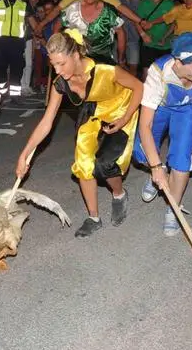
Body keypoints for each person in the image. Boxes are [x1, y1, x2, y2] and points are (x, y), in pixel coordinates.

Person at [15, 29, 143, 238]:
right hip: (92, 112)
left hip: (121, 109)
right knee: (83, 162)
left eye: (61, 64)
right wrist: (24, 155)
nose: (57, 70)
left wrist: (124, 119)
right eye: (53, 64)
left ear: (76, 55)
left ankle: (119, 195)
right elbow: (47, 122)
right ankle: (93, 217)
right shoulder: (61, 83)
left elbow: (138, 87)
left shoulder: (105, 69)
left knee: (105, 165)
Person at [133, 34, 192, 235]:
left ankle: (173, 210)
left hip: (188, 108)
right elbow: (145, 125)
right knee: (142, 151)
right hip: (161, 107)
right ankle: (157, 173)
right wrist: (156, 167)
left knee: (182, 161)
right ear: (178, 62)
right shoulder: (158, 72)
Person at [53, 0, 124, 65]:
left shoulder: (109, 11)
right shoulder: (72, 9)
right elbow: (57, 26)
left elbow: (121, 32)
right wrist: (59, 51)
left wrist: (121, 58)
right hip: (77, 64)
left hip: (103, 64)